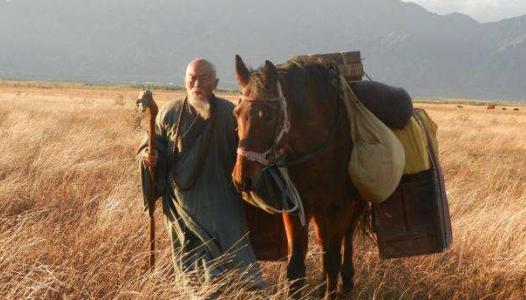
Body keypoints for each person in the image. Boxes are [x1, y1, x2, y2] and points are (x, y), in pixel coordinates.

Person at [137, 59, 265, 288]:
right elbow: (152, 146)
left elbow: (249, 150)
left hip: (224, 206)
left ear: (215, 83)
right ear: (185, 80)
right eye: (192, 77)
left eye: (204, 78)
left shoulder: (230, 113)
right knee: (195, 272)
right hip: (182, 207)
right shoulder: (167, 113)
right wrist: (150, 157)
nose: (197, 83)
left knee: (240, 267)